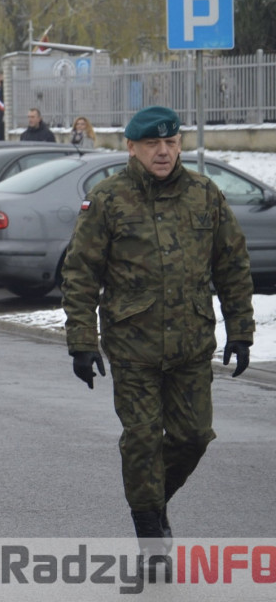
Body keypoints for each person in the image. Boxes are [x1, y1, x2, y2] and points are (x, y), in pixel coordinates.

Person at [61, 105, 253, 560]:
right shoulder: (108, 199)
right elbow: (81, 274)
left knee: (193, 437)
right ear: (132, 148)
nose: (163, 152)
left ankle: (152, 500)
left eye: (170, 143)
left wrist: (241, 330)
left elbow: (232, 266)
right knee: (143, 439)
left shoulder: (205, 194)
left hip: (191, 342)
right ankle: (150, 532)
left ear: (180, 144)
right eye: (153, 144)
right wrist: (82, 342)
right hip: (133, 346)